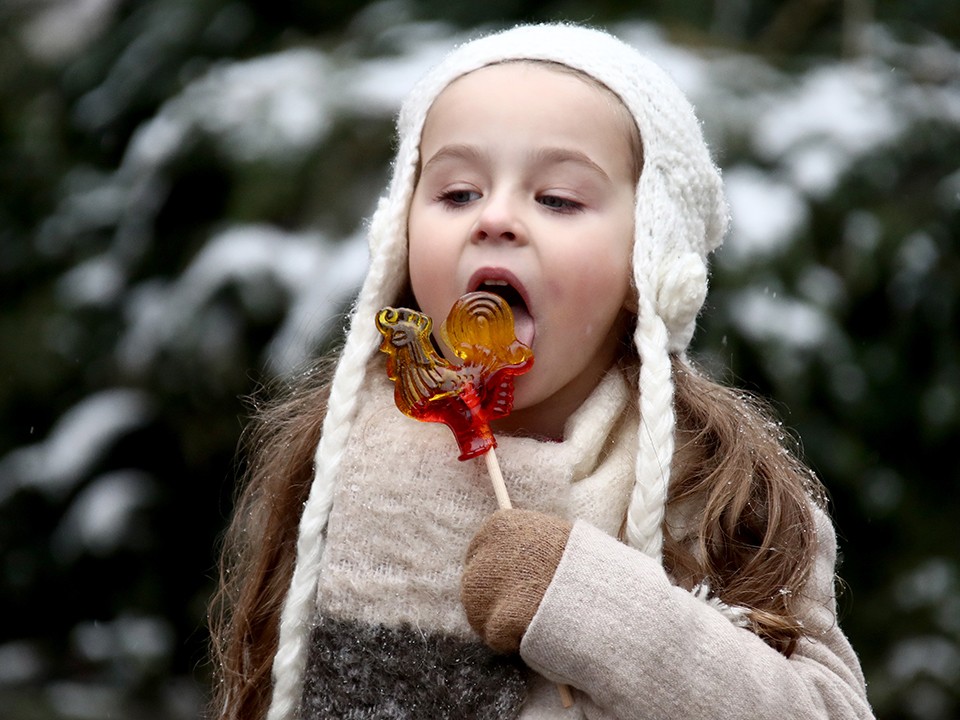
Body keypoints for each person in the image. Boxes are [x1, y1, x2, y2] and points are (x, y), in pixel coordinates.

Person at [209, 22, 875, 720]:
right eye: (458, 193)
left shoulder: (718, 490)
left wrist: (593, 604)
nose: (495, 217)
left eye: (557, 198)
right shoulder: (336, 473)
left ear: (643, 266)